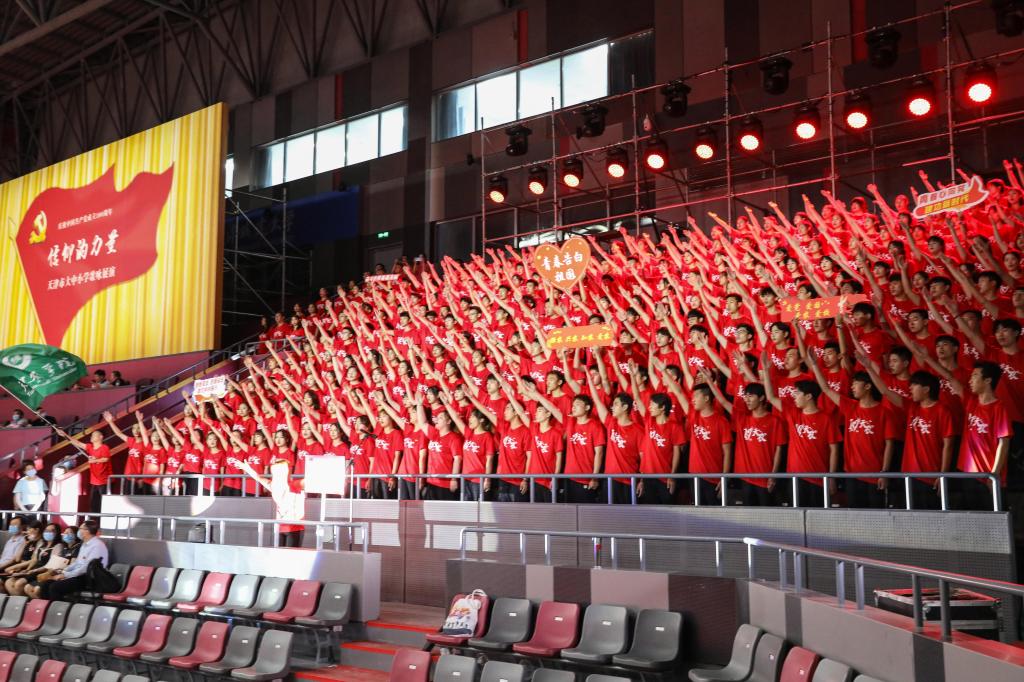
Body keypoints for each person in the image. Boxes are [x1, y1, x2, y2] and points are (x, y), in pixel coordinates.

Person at [40, 520, 109, 600]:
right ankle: (47, 606)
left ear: (87, 531)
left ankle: (58, 607)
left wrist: (65, 575)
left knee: (55, 587)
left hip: (90, 578)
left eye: (80, 529)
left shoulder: (97, 545)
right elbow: (77, 563)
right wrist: (63, 571)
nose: (79, 531)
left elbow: (86, 568)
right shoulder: (84, 544)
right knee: (46, 584)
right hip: (79, 575)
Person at [4, 522, 63, 595]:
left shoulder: (58, 546)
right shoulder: (42, 545)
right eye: (46, 530)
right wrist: (28, 569)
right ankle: (18, 601)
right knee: (9, 582)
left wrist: (33, 571)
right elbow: (34, 560)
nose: (48, 533)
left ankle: (26, 600)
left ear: (57, 533)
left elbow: (51, 565)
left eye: (52, 531)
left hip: (43, 571)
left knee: (19, 584)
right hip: (34, 570)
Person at [24, 526, 79, 599]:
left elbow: (72, 566)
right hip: (55, 572)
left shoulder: (75, 548)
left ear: (76, 535)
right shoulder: (65, 548)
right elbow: (53, 563)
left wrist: (59, 572)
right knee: (28, 587)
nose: (66, 534)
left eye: (70, 533)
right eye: (65, 533)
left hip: (66, 575)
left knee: (39, 589)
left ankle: (47, 604)